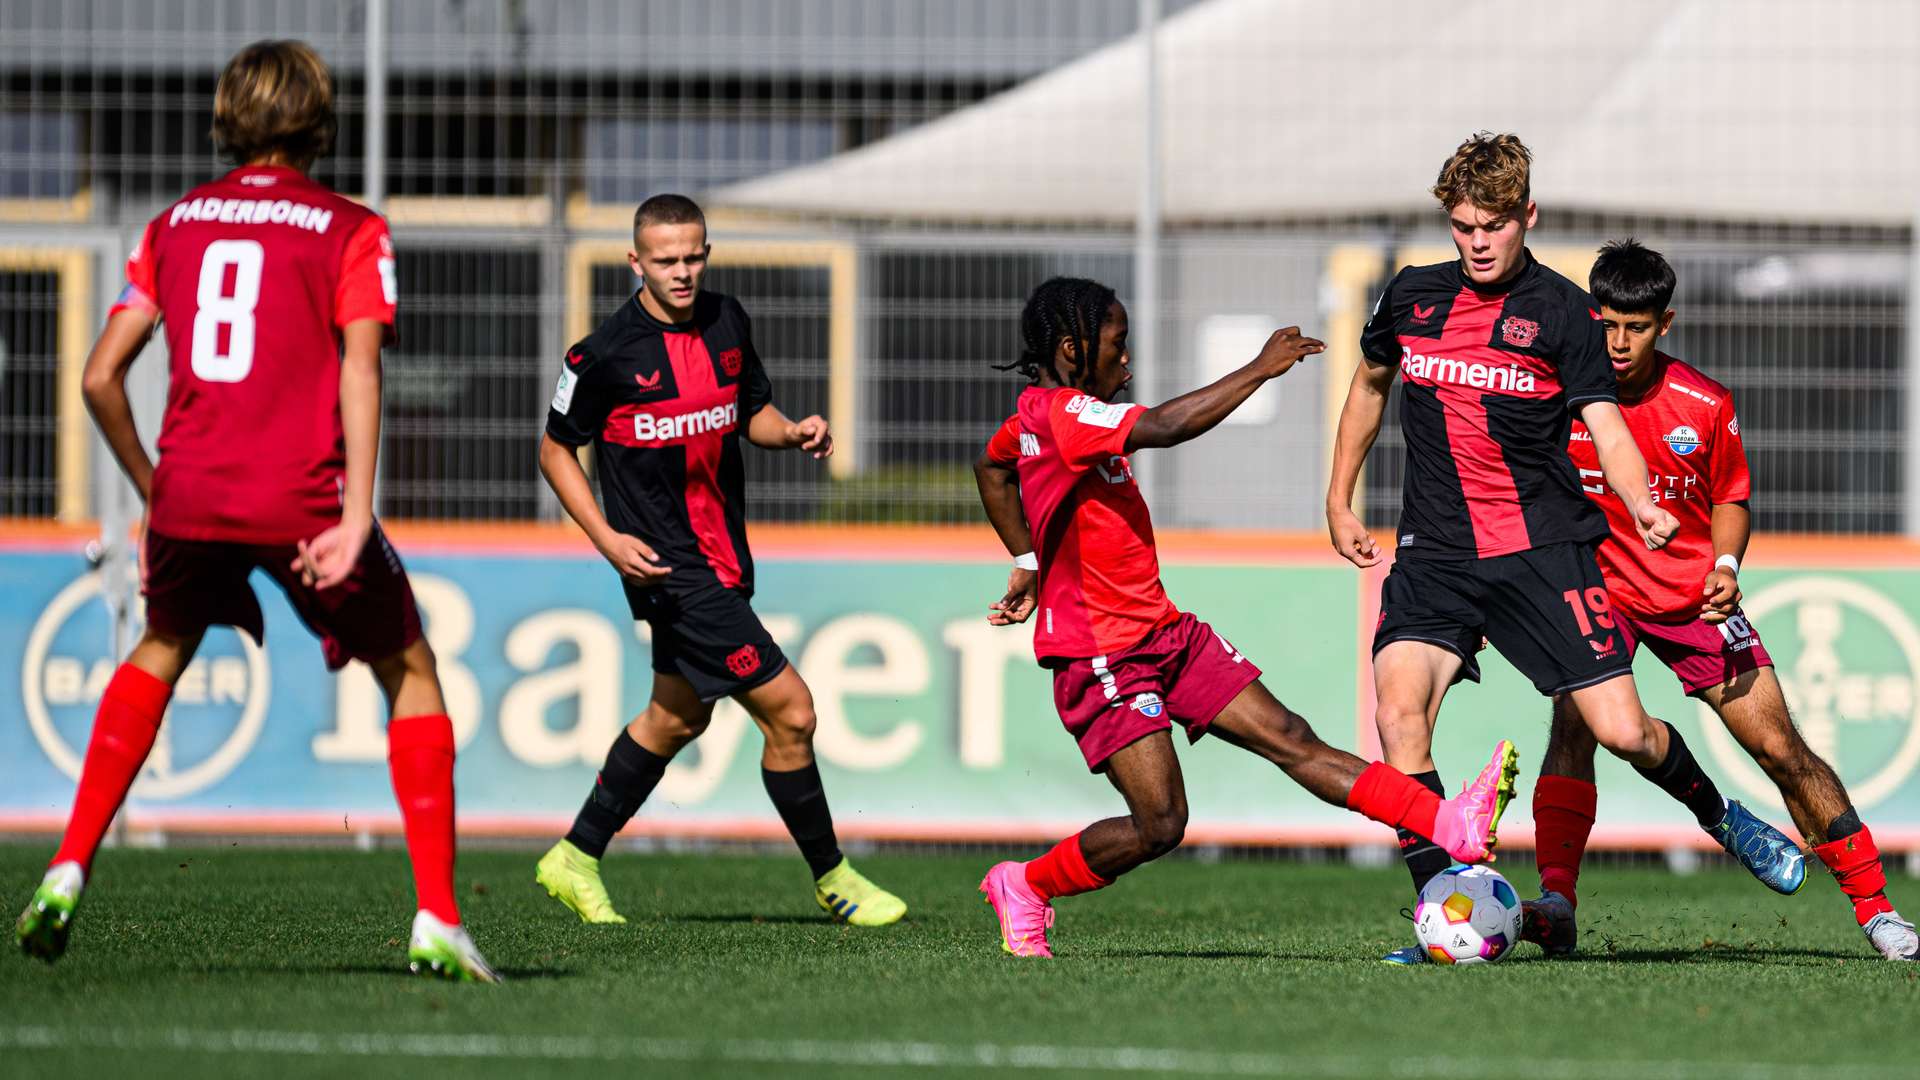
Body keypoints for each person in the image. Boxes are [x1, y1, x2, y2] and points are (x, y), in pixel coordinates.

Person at [12, 41, 497, 981]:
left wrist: (158, 491)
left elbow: (100, 378)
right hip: (303, 497)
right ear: (322, 122)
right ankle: (438, 916)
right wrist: (357, 513)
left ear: (228, 117)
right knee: (411, 668)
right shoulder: (351, 229)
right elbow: (362, 367)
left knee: (160, 647)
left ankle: (69, 864)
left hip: (190, 491)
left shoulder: (173, 226)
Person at [1324, 132, 1804, 964]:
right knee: (1398, 718)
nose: (1477, 242)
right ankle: (1444, 914)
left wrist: (1643, 505)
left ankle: (1719, 815)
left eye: (1494, 225)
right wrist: (1337, 499)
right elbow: (1369, 385)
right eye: (1463, 225)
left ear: (1527, 217)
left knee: (1624, 733)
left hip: (1542, 552)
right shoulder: (1410, 297)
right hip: (1435, 554)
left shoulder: (1563, 312)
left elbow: (1606, 426)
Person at [972, 276, 1520, 958]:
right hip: (1100, 653)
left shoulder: (1038, 419)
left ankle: (1451, 824)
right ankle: (1024, 884)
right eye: (1117, 346)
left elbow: (992, 467)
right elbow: (1165, 427)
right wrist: (1260, 369)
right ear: (1070, 347)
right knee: (1162, 823)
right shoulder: (1063, 414)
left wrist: (1028, 557)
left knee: (1290, 735)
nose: (1128, 361)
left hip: (1165, 633)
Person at [1523, 239, 1915, 961]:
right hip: (1595, 595)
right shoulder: (1559, 396)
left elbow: (1733, 496)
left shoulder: (1703, 403)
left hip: (1691, 599)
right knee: (1574, 733)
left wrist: (1727, 564)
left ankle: (1880, 913)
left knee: (1780, 748)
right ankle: (1558, 901)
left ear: (1663, 324)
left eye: (1635, 327)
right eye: (1606, 323)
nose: (1617, 342)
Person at [532, 193, 905, 928]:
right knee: (791, 713)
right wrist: (608, 541)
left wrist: (793, 431)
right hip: (671, 571)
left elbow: (747, 413)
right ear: (634, 262)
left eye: (693, 256)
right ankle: (834, 878)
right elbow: (553, 450)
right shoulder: (601, 354)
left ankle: (574, 857)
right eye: (665, 260)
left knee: (675, 720)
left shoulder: (728, 321)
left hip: (724, 556)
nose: (682, 272)